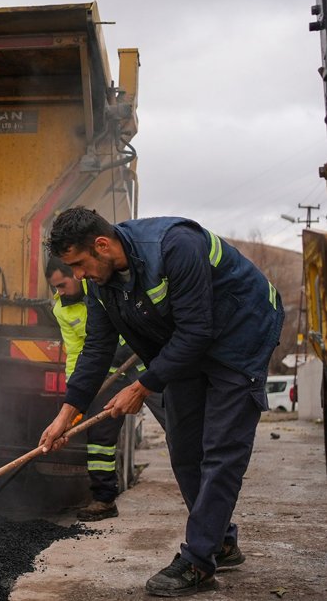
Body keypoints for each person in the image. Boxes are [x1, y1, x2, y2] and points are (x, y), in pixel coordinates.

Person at [39, 208, 284, 597]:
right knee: (185, 447)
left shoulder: (174, 246)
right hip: (187, 348)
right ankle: (221, 541)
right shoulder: (100, 283)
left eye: (80, 264)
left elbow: (197, 328)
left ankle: (199, 562)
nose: (79, 275)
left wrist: (143, 387)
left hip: (241, 333)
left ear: (102, 245)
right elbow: (96, 349)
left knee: (221, 449)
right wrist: (66, 415)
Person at [45, 256, 165, 522]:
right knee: (99, 433)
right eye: (56, 288)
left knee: (176, 418)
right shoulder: (61, 309)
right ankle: (103, 499)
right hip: (108, 370)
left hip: (142, 361)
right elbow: (77, 350)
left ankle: (204, 488)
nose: (60, 292)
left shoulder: (100, 287)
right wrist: (74, 396)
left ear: (76, 275)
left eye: (63, 285)